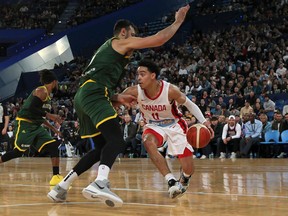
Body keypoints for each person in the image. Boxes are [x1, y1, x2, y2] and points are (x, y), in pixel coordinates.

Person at [48, 5, 191, 207]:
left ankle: (61, 187)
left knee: (100, 148)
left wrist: (117, 98)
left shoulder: (109, 52)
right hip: (94, 93)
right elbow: (158, 39)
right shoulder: (119, 42)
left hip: (85, 95)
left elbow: (96, 79)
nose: (133, 42)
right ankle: (100, 183)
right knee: (116, 140)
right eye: (132, 35)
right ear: (123, 33)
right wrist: (178, 21)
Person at [122, 59, 214, 198]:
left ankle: (185, 178)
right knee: (147, 141)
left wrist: (204, 122)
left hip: (174, 124)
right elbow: (115, 100)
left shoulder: (170, 90)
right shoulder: (133, 91)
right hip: (153, 125)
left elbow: (190, 104)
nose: (138, 77)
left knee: (188, 167)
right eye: (137, 74)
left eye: (142, 74)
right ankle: (171, 181)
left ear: (153, 76)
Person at [0, 69, 63, 186]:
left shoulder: (48, 96)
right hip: (25, 124)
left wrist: (54, 130)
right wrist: (51, 116)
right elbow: (32, 109)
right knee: (18, 152)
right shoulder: (41, 91)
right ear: (54, 82)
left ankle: (56, 177)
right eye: (57, 82)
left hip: (36, 126)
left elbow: (39, 115)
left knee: (54, 146)